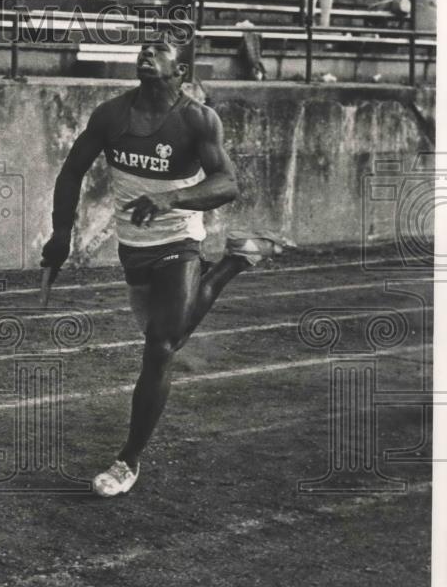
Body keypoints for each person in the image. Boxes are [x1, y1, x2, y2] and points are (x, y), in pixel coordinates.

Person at [40, 36, 290, 496]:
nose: (146, 54)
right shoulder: (111, 114)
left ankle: (126, 461)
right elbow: (72, 170)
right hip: (133, 245)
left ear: (182, 70)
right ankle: (235, 259)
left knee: (161, 347)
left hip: (179, 239)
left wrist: (170, 197)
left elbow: (227, 184)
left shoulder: (197, 119)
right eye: (144, 49)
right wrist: (60, 233)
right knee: (165, 334)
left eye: (159, 52)